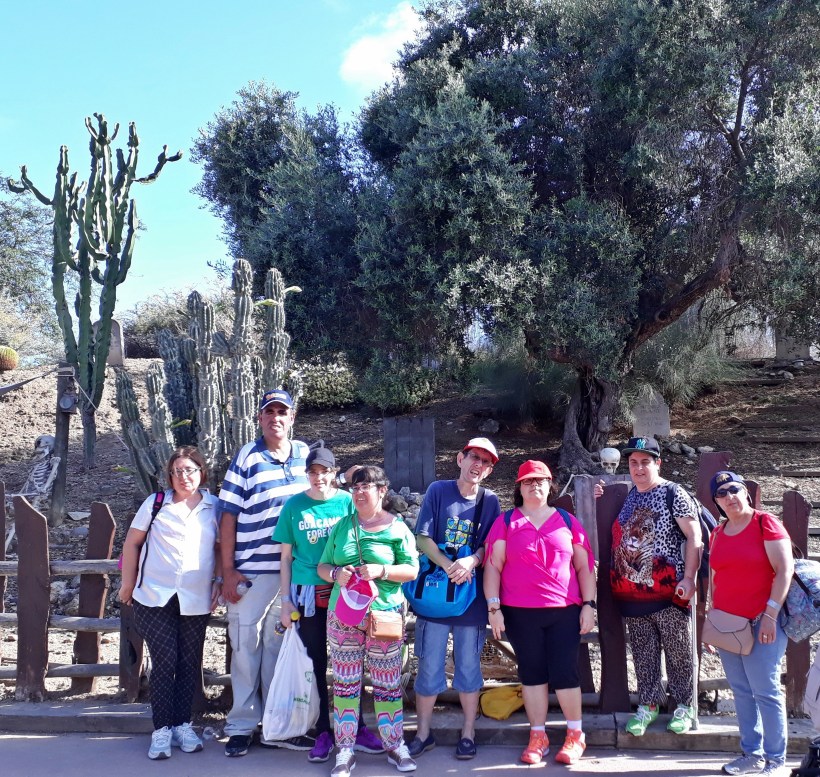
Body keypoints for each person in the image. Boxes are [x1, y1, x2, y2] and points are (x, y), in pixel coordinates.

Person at [273, 446, 385, 763]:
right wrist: (285, 601)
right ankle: (323, 729)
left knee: (350, 661)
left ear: (334, 473)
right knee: (315, 663)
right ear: (306, 474)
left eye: (324, 471)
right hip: (307, 594)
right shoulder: (294, 506)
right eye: (313, 472)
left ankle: (356, 728)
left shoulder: (347, 501)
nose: (319, 477)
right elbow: (285, 558)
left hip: (345, 592)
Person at [218, 388, 312, 757]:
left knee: (277, 648)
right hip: (252, 572)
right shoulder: (248, 456)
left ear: (292, 417)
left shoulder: (304, 455)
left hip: (292, 574)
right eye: (269, 412)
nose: (276, 418)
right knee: (245, 648)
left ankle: (276, 725)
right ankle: (242, 725)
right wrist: (228, 570)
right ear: (260, 418)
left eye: (282, 412)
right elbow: (228, 514)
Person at [483, 460, 596, 766]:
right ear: (519, 488)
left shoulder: (567, 521)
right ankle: (538, 736)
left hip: (564, 610)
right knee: (531, 672)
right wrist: (494, 608)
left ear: (550, 486)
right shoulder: (506, 522)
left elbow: (585, 567)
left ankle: (575, 735)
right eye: (528, 481)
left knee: (565, 672)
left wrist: (589, 605)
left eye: (540, 480)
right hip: (520, 612)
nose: (535, 485)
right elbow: (493, 567)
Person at [317, 466, 420, 777]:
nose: (359, 492)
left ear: (382, 491)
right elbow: (323, 566)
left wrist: (382, 571)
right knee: (345, 684)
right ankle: (345, 750)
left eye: (366, 487)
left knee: (387, 684)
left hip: (384, 615)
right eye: (355, 487)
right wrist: (336, 573)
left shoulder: (397, 528)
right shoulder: (342, 527)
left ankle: (395, 745)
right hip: (344, 616)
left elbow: (412, 570)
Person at [119, 446, 220, 760]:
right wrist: (127, 583)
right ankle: (161, 729)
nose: (183, 476)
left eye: (189, 470)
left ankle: (182, 725)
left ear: (201, 472)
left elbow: (221, 547)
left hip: (196, 596)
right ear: (170, 476)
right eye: (177, 471)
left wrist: (218, 581)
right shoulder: (156, 503)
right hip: (154, 595)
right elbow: (132, 543)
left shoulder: (214, 507)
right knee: (165, 661)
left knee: (189, 662)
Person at [408, 437, 501, 761]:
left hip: (469, 600)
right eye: (474, 457)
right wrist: (449, 566)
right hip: (434, 594)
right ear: (460, 458)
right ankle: (423, 733)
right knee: (428, 666)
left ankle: (468, 733)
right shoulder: (438, 491)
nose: (478, 465)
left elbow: (490, 545)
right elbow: (422, 538)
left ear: (489, 471)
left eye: (485, 462)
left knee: (469, 667)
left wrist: (471, 561)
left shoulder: (490, 501)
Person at [609, 436, 702, 737]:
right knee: (643, 653)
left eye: (645, 462)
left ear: (658, 463)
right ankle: (648, 704)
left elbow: (694, 537)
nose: (638, 468)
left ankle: (684, 706)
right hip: (633, 596)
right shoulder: (631, 497)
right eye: (633, 463)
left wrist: (689, 577)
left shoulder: (673, 493)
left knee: (679, 652)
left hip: (669, 594)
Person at [707, 471, 793, 776]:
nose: (729, 497)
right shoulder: (718, 532)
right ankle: (751, 755)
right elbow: (716, 577)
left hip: (762, 621)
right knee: (741, 691)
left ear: (745, 492)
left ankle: (775, 760)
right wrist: (714, 620)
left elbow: (784, 570)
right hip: (728, 624)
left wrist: (770, 615)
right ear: (716, 501)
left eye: (734, 489)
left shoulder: (764, 523)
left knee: (765, 691)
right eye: (721, 494)